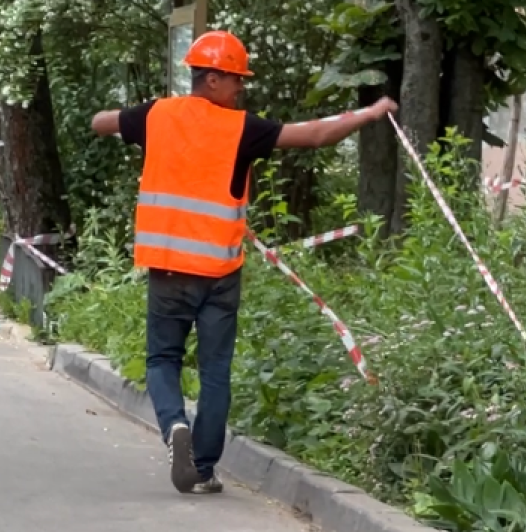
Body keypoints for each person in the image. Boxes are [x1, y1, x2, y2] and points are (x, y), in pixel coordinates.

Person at [90, 30, 396, 496]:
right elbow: (315, 135)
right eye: (235, 80)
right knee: (215, 370)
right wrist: (370, 113)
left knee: (162, 358)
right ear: (211, 79)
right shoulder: (242, 129)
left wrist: (123, 119)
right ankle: (205, 469)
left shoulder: (157, 115)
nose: (240, 90)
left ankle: (175, 426)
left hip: (168, 269)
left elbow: (99, 122)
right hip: (219, 274)